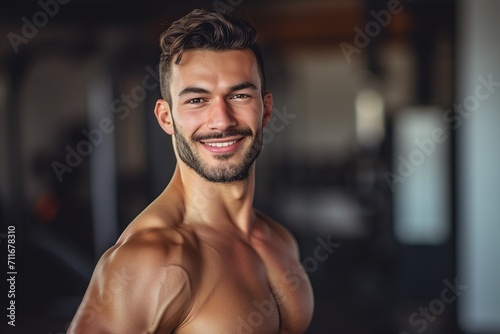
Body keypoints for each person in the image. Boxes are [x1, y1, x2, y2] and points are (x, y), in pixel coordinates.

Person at [68, 8, 314, 334]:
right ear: (166, 117)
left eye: (239, 95)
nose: (222, 120)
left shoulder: (279, 240)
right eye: (197, 100)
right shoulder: (151, 261)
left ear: (266, 108)